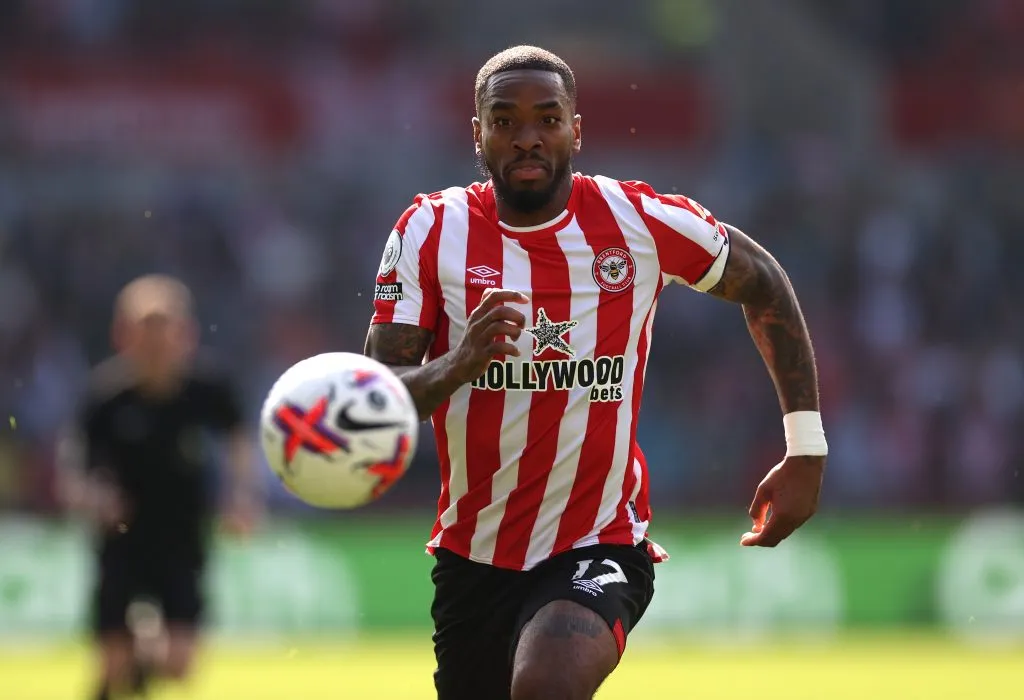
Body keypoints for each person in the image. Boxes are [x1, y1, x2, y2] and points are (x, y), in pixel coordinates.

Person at [364, 46, 827, 700]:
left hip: (599, 542)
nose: (527, 137)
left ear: (576, 129)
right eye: (504, 120)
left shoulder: (635, 223)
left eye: (547, 118)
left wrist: (805, 448)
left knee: (549, 680)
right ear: (478, 134)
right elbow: (380, 398)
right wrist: (460, 361)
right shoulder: (429, 232)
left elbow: (765, 284)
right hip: (473, 556)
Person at [58, 274, 261, 700]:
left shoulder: (209, 390)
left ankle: (139, 657)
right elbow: (75, 468)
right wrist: (93, 499)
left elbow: (239, 441)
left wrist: (241, 497)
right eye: (143, 330)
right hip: (121, 540)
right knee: (111, 660)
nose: (154, 343)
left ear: (184, 334)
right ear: (123, 335)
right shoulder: (106, 398)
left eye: (162, 329)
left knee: (179, 666)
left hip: (183, 539)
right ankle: (120, 668)